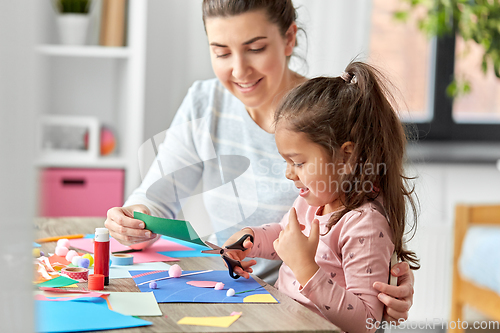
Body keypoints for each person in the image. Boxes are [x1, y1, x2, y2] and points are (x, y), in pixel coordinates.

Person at [104, 0, 415, 323]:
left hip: (297, 314)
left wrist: (389, 281)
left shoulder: (330, 117)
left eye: (255, 48)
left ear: (289, 38)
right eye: (222, 52)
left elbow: (370, 217)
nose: (239, 70)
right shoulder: (204, 103)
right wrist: (133, 220)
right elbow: (155, 199)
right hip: (242, 301)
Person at [222, 62, 420, 332]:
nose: (289, 174)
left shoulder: (364, 224)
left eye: (299, 163)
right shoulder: (311, 201)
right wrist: (250, 239)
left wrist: (305, 268)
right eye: (287, 162)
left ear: (346, 156)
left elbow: (367, 321)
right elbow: (284, 235)